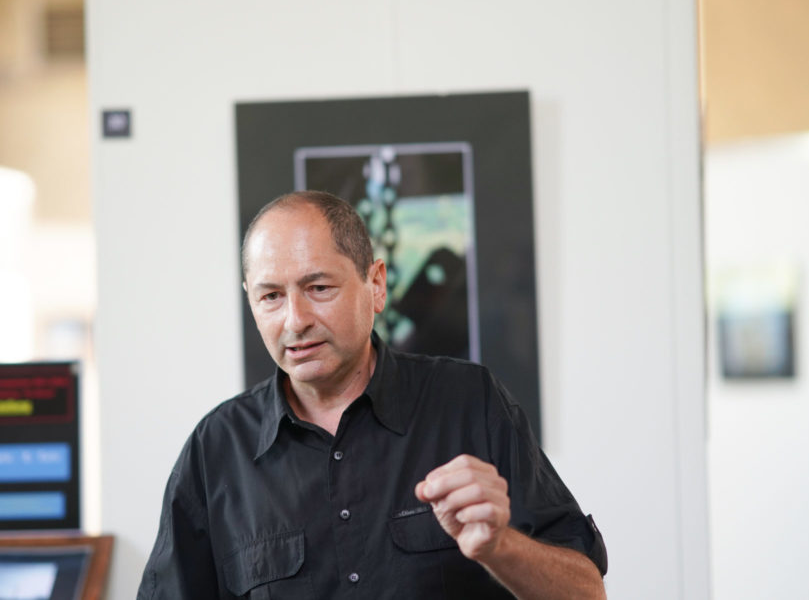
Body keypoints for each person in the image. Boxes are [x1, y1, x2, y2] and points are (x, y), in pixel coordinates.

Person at [138, 190, 607, 599]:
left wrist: (499, 546)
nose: (295, 320)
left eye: (318, 287)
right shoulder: (216, 450)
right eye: (271, 297)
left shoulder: (470, 403)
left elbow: (587, 592)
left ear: (376, 285)